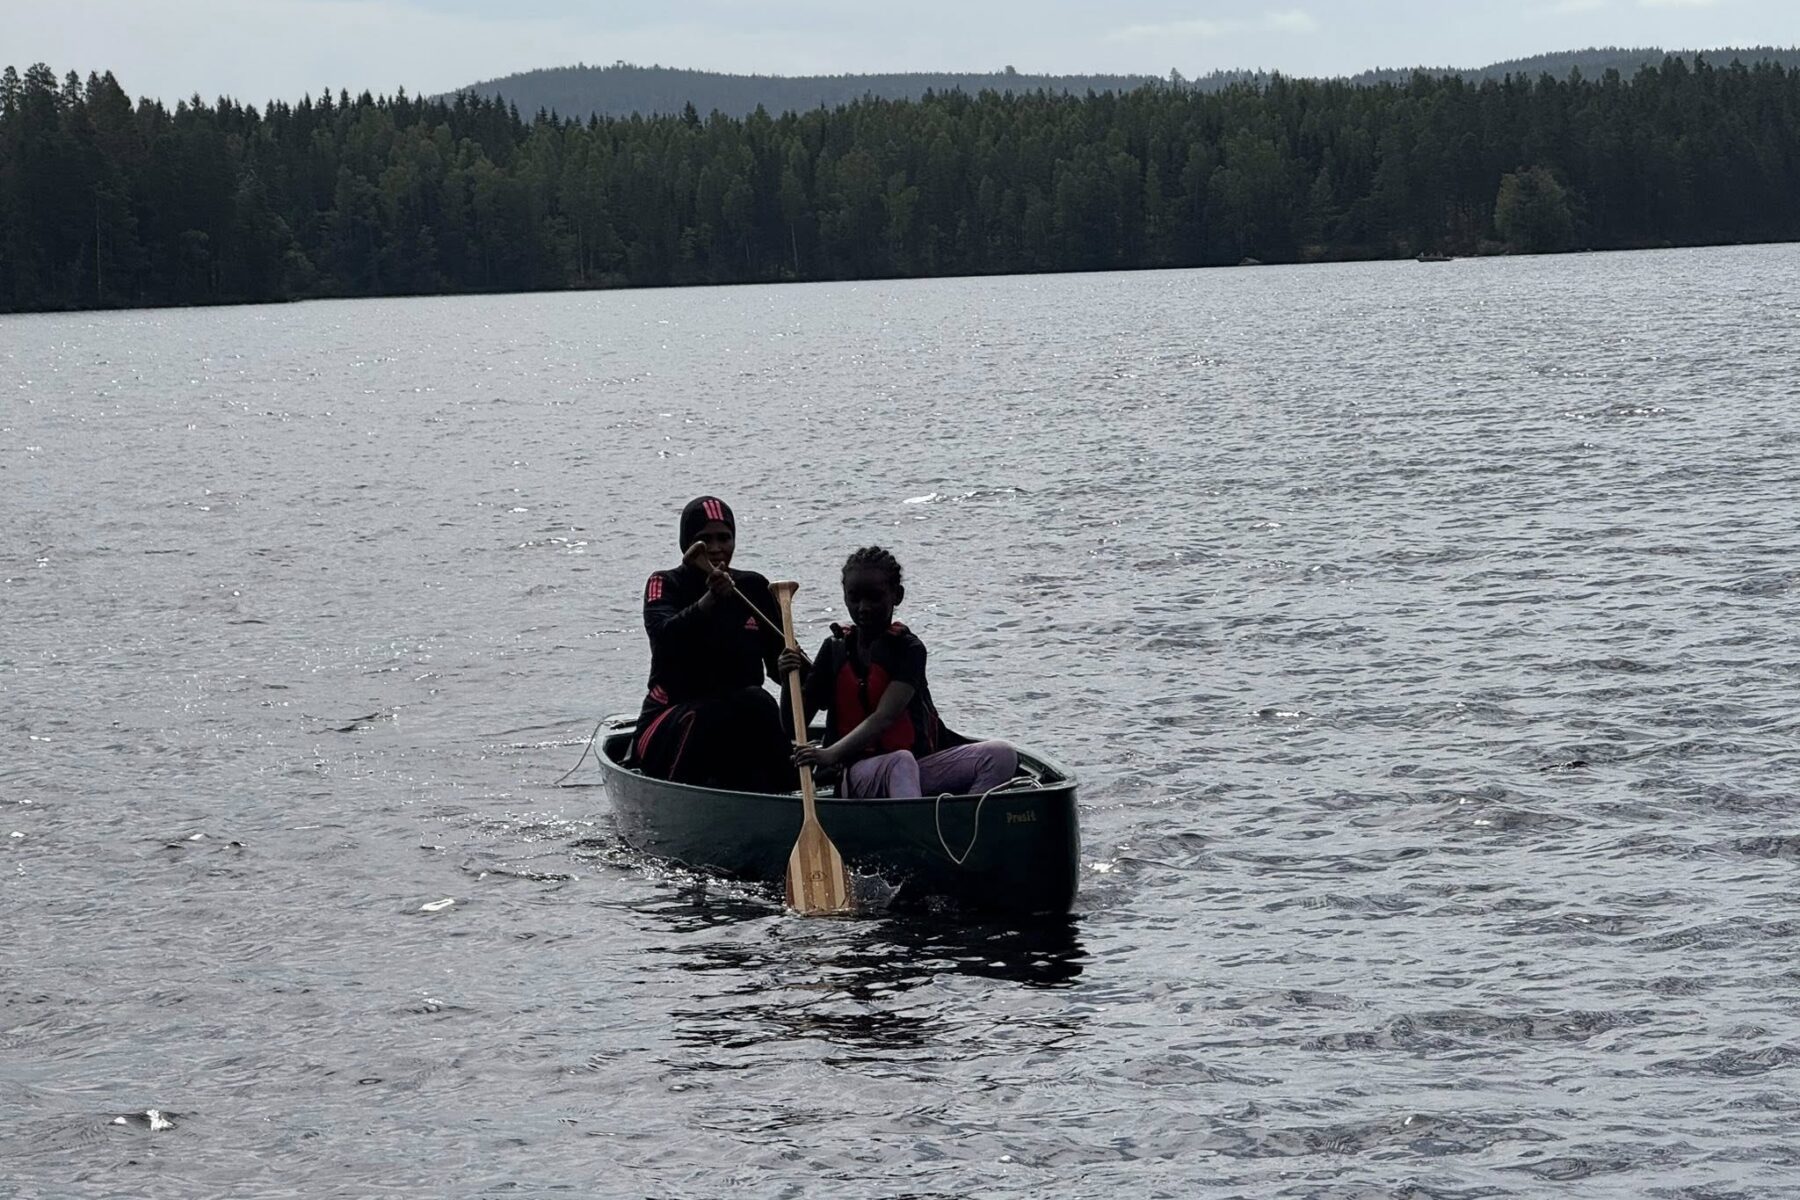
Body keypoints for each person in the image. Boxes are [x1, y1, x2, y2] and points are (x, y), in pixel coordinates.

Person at [779, 545, 1018, 799]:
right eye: (854, 598)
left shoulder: (909, 650)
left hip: (914, 769)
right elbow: (794, 728)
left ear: (897, 595)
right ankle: (916, 824)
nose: (863, 607)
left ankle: (964, 818)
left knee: (1002, 754)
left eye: (874, 597)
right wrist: (786, 679)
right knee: (900, 762)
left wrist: (830, 753)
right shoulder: (834, 650)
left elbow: (885, 716)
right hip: (855, 774)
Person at [632, 496, 793, 792]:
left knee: (760, 702)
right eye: (704, 540)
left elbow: (779, 667)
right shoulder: (664, 583)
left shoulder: (754, 587)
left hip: (738, 718)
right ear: (687, 544)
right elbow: (665, 638)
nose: (717, 548)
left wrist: (799, 668)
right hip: (672, 718)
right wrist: (710, 600)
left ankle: (783, 793)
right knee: (708, 716)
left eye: (724, 538)